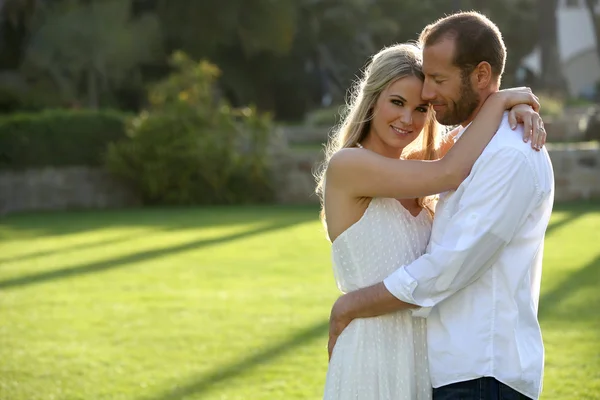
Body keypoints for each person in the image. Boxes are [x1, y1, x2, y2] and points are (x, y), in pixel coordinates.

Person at [325, 12, 554, 400]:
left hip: (426, 359)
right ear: (372, 98)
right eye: (396, 102)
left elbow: (459, 151)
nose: (408, 117)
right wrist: (500, 101)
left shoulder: (419, 170)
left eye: (421, 108)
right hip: (372, 351)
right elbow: (451, 167)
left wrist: (506, 107)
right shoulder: (350, 166)